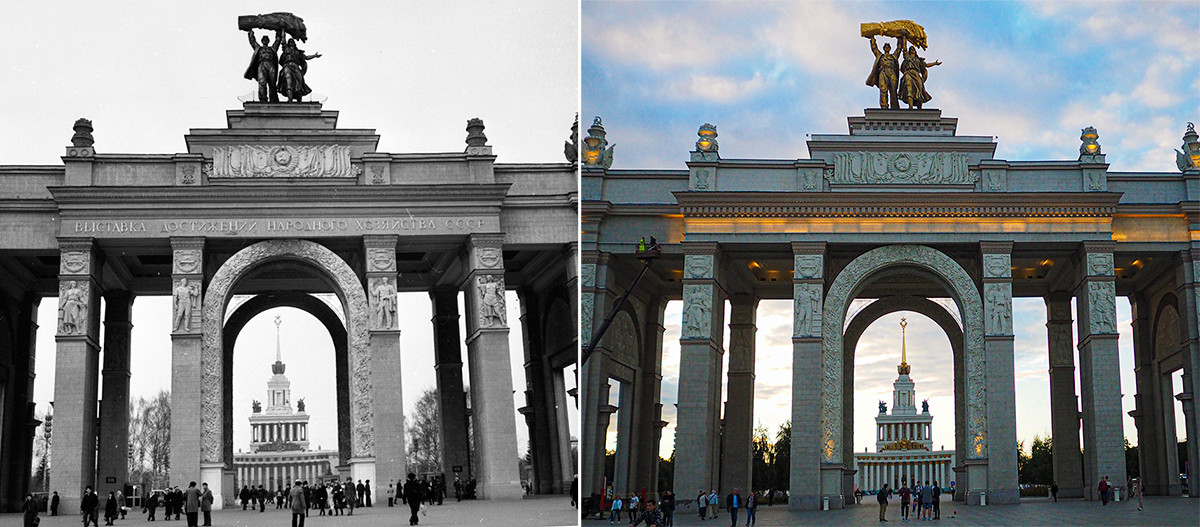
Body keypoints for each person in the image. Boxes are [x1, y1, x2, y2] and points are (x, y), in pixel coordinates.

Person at [244, 28, 283, 102]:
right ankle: (263, 99)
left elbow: (277, 41)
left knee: (272, 83)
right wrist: (250, 32)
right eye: (264, 39)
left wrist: (278, 31)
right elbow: (253, 41)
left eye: (266, 39)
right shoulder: (258, 48)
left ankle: (273, 99)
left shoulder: (272, 49)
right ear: (262, 41)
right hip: (261, 65)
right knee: (262, 82)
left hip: (271, 65)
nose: (265, 40)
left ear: (268, 41)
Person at [897, 44, 941, 110]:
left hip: (916, 74)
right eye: (911, 49)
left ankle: (919, 108)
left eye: (913, 49)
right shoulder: (907, 57)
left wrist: (935, 63)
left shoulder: (919, 60)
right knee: (909, 88)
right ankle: (910, 106)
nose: (912, 50)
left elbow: (926, 65)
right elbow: (904, 49)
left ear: (915, 51)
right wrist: (904, 37)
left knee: (919, 91)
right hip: (909, 73)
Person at [865, 36, 903, 109]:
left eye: (888, 47)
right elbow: (874, 49)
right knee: (883, 89)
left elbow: (899, 49)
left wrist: (900, 38)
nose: (887, 48)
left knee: (893, 90)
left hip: (892, 72)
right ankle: (884, 105)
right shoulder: (880, 56)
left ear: (890, 48)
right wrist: (872, 38)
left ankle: (894, 107)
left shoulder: (893, 56)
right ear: (883, 48)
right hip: (883, 72)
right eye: (885, 47)